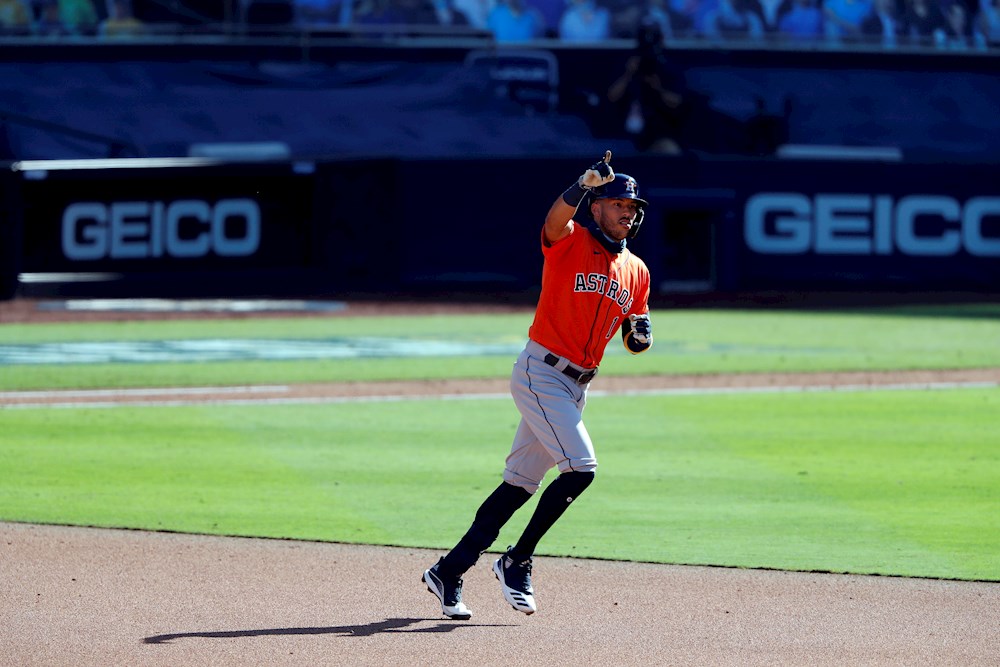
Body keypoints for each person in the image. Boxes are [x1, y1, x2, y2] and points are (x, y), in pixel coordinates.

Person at [421, 151, 653, 620]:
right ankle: (517, 559)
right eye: (617, 203)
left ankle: (449, 569)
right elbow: (554, 221)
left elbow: (637, 319)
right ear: (596, 208)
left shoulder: (638, 270)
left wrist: (641, 331)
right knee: (581, 469)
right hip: (541, 372)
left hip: (577, 386)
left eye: (632, 206)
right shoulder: (570, 241)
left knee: (519, 485)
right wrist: (581, 185)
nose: (627, 212)